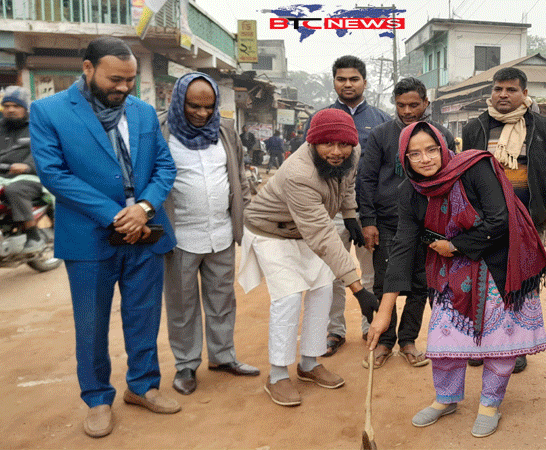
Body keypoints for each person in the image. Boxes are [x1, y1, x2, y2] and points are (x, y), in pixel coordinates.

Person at [29, 36, 179, 438]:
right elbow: (54, 174)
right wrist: (116, 215)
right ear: (88, 68)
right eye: (116, 79)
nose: (124, 88)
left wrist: (143, 208)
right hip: (90, 238)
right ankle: (97, 398)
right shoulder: (48, 111)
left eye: (130, 80)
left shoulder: (145, 113)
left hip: (145, 232)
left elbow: (164, 167)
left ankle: (143, 386)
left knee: (144, 316)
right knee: (91, 323)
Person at [366, 121, 546, 438]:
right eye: (415, 154)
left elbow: (499, 219)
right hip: (451, 272)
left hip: (497, 261)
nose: (425, 159)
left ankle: (490, 404)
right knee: (446, 340)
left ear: (443, 146)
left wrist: (455, 245)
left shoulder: (475, 168)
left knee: (499, 343)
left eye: (431, 150)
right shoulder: (410, 191)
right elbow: (403, 248)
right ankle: (446, 399)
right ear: (404, 159)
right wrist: (384, 312)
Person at [237, 108, 378, 407]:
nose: (337, 152)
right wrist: (359, 289)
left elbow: (346, 184)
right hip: (271, 232)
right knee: (288, 297)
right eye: (327, 144)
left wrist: (350, 214)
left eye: (343, 144)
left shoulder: (352, 153)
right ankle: (276, 375)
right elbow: (323, 237)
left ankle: (309, 363)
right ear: (312, 142)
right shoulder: (298, 173)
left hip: (305, 231)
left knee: (323, 290)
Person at [461, 67, 546, 373]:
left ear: (524, 93)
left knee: (522, 281)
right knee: (483, 281)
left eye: (510, 89)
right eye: (498, 89)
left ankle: (517, 345)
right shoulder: (475, 128)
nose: (503, 95)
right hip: (485, 220)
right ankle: (482, 343)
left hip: (528, 220)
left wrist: (532, 195)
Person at [159, 72, 259, 396]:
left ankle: (222, 356)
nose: (202, 114)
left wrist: (245, 216)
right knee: (182, 305)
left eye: (208, 106)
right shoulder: (163, 131)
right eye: (193, 106)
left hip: (221, 234)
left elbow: (239, 177)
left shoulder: (225, 131)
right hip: (180, 238)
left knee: (222, 301)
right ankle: (186, 365)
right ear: (179, 101)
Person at [357, 77, 455, 369]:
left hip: (428, 224)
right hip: (387, 222)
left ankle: (408, 341)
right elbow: (366, 178)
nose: (407, 111)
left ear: (426, 103)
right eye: (401, 105)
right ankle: (385, 342)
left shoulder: (442, 136)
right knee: (384, 281)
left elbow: (450, 179)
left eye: (414, 104)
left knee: (420, 283)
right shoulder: (380, 135)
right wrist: (369, 220)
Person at [302, 55, 389, 358]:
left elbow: (384, 172)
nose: (348, 84)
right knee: (332, 273)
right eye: (341, 79)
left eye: (354, 79)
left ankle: (371, 327)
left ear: (365, 81)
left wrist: (372, 216)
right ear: (334, 81)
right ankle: (334, 330)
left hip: (368, 212)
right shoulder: (320, 118)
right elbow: (308, 166)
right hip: (330, 213)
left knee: (370, 274)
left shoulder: (381, 120)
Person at [0, 86, 45, 251]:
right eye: (7, 106)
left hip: (31, 177)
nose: (10, 110)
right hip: (0, 175)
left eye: (16, 106)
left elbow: (45, 152)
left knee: (15, 190)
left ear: (25, 108)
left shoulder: (37, 127)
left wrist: (27, 166)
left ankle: (33, 235)